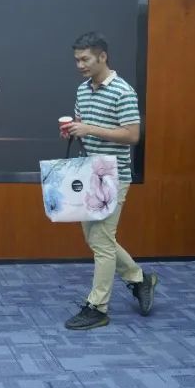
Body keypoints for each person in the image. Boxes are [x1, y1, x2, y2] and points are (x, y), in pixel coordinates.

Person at [61, 32, 158, 330]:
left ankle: (98, 307)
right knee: (96, 239)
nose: (80, 65)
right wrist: (74, 130)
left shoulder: (122, 91)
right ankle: (139, 279)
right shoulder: (82, 89)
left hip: (113, 175)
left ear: (102, 57)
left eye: (85, 59)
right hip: (88, 173)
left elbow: (132, 135)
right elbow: (83, 125)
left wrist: (90, 128)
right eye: (77, 60)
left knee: (102, 243)